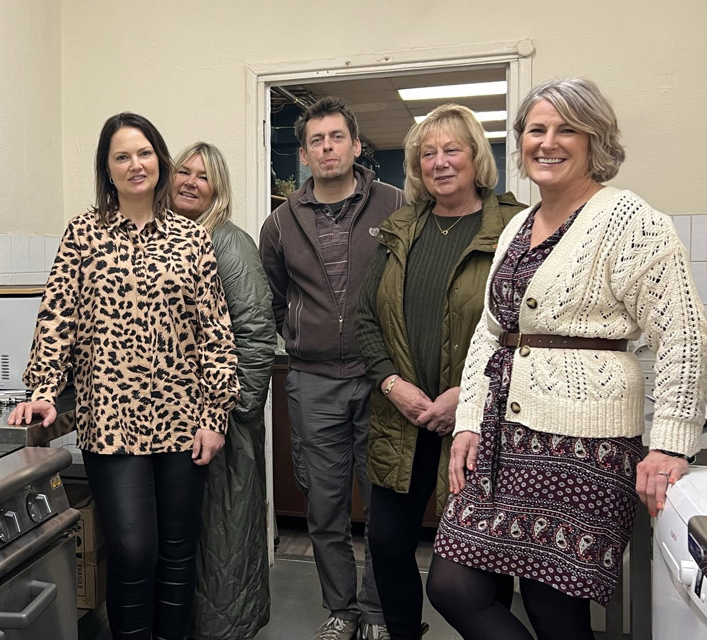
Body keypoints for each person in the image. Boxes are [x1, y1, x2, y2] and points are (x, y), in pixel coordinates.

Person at [426, 78, 707, 640]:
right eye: (536, 129)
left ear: (594, 139)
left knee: (554, 608)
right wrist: (467, 422)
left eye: (565, 129)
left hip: (583, 447)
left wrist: (671, 442)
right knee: (452, 587)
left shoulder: (630, 221)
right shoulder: (516, 225)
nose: (547, 142)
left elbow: (685, 334)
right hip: (503, 440)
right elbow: (490, 332)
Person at [10, 113, 239, 640]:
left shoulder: (192, 238)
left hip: (185, 420)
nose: (135, 165)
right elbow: (57, 317)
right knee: (135, 552)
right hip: (111, 422)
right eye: (122, 156)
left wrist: (215, 416)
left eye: (144, 153)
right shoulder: (83, 234)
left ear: (159, 160)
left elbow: (216, 335)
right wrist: (43, 390)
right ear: (107, 170)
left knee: (179, 554)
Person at [353, 104, 526, 640]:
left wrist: (467, 395)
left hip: (476, 422)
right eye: (427, 153)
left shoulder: (515, 228)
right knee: (385, 543)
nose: (440, 162)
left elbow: (523, 330)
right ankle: (404, 632)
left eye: (452, 150)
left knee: (480, 556)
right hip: (401, 417)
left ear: (477, 157)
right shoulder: (400, 230)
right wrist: (393, 385)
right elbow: (365, 318)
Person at [259, 96, 404, 640]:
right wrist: (299, 334)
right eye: (317, 141)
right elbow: (273, 296)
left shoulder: (394, 205)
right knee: (325, 507)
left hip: (381, 380)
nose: (327, 148)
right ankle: (341, 609)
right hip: (313, 380)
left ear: (356, 145)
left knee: (384, 505)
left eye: (337, 137)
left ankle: (377, 610)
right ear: (304, 153)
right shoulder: (280, 223)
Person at [169, 142, 277, 640]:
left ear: (218, 189)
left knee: (224, 543)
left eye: (203, 176)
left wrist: (234, 415)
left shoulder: (229, 244)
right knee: (187, 542)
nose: (190, 182)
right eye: (183, 172)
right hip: (175, 423)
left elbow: (256, 334)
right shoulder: (163, 238)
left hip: (222, 423)